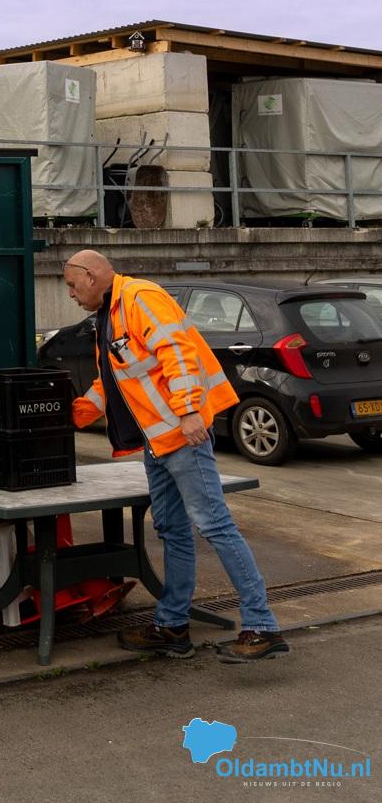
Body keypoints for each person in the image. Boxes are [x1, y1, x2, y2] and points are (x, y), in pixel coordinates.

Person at [65, 250, 287, 663]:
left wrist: (187, 412)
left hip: (181, 436)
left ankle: (262, 626)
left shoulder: (138, 299)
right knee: (172, 529)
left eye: (73, 286)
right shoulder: (109, 316)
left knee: (214, 525)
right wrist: (74, 414)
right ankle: (172, 626)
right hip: (158, 441)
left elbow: (178, 353)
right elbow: (112, 382)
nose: (72, 296)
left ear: (92, 276)